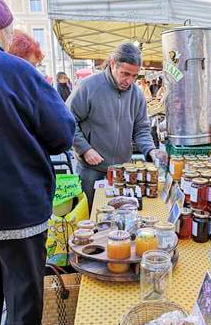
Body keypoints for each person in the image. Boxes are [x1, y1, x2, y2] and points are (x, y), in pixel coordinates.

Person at [0, 0, 76, 325]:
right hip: (13, 201)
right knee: (22, 284)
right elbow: (61, 132)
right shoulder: (13, 70)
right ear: (1, 29)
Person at [68, 43, 160, 209]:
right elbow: (67, 120)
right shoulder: (88, 86)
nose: (129, 81)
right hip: (91, 170)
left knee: (120, 219)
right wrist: (85, 149)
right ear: (112, 64)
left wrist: (151, 150)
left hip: (122, 171)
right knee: (91, 215)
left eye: (134, 76)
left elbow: (141, 129)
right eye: (125, 74)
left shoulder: (137, 94)